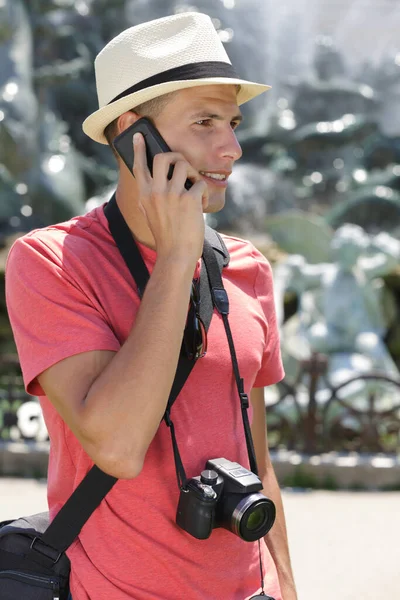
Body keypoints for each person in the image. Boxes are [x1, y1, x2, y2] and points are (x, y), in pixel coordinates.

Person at [6, 12, 297, 600]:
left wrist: (286, 585)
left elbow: (258, 460)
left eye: (234, 122)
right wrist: (175, 258)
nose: (233, 147)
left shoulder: (249, 268)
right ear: (134, 135)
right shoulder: (51, 262)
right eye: (205, 122)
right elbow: (116, 445)